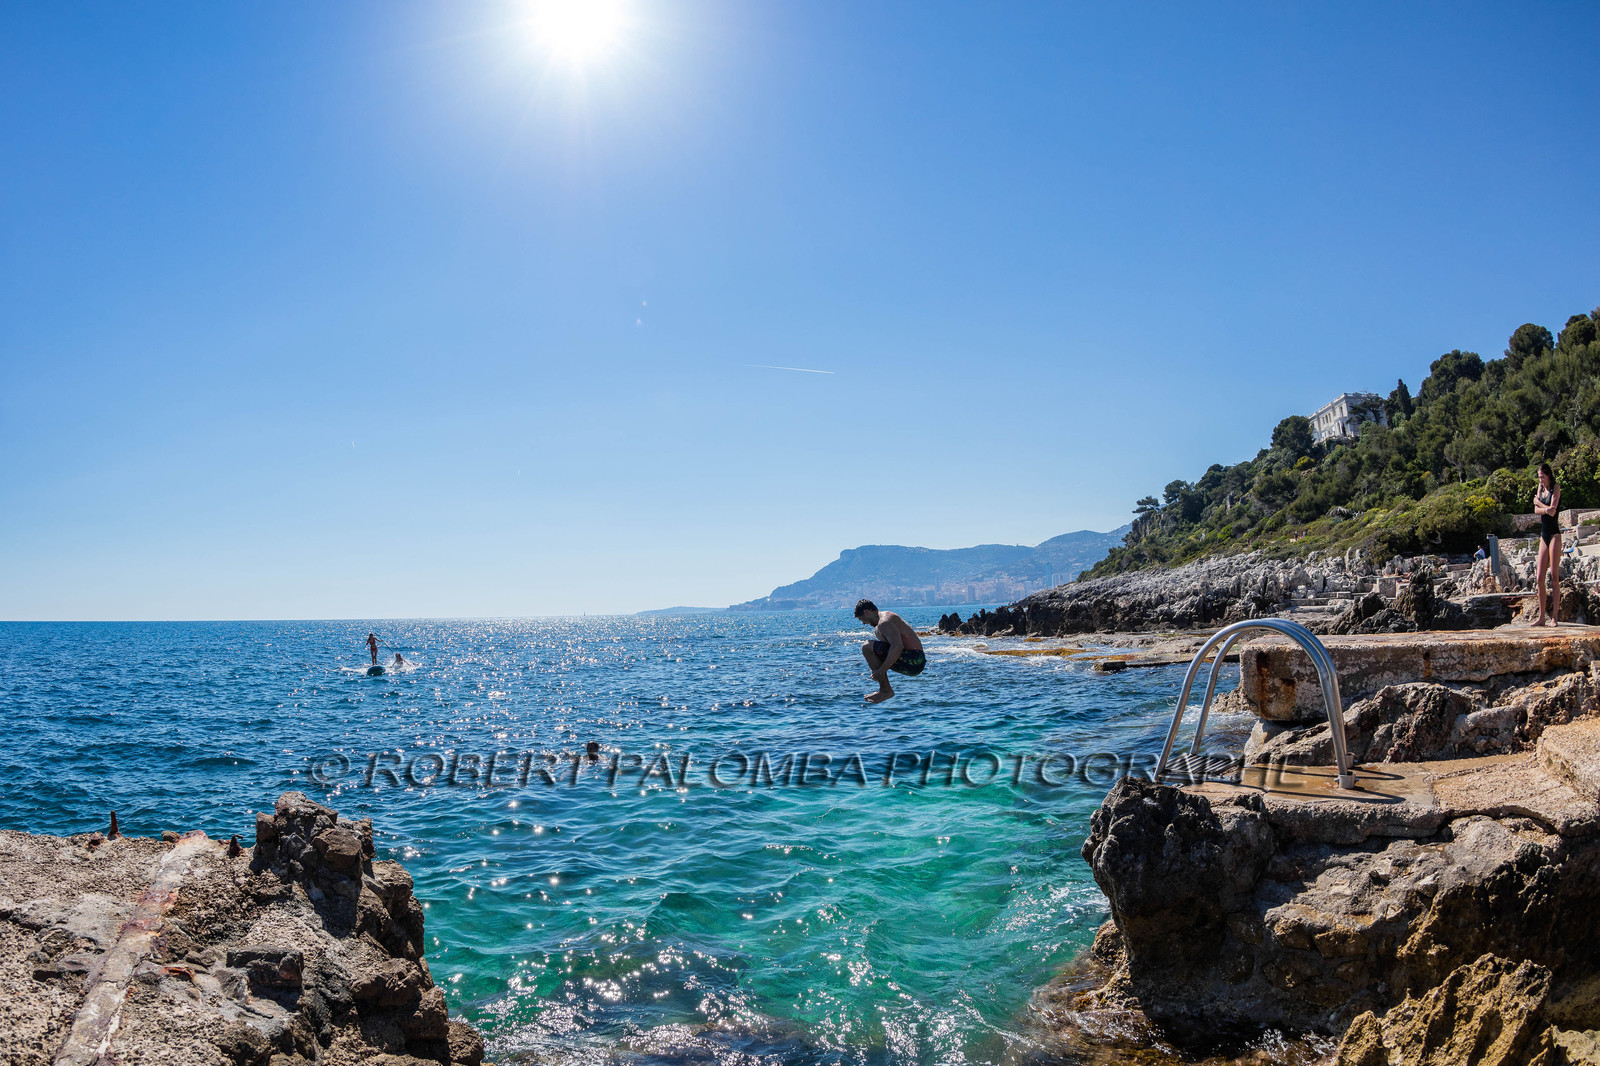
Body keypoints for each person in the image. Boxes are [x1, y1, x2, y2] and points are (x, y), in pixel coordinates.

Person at [855, 599, 926, 703]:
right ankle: (884, 689)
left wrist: (881, 671)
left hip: (914, 659)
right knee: (871, 649)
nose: (864, 623)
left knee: (866, 646)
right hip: (914, 663)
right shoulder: (879, 626)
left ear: (867, 612)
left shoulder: (885, 622)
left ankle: (885, 690)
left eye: (862, 619)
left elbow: (897, 646)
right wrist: (878, 670)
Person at [1533, 463, 1562, 627]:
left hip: (1555, 535)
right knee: (1539, 578)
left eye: (1542, 477)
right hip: (1543, 535)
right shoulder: (1540, 488)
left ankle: (1555, 618)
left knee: (1554, 578)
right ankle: (1542, 617)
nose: (1540, 480)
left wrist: (1540, 504)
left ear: (1548, 475)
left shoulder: (1555, 488)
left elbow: (1553, 510)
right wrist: (1544, 508)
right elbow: (1537, 511)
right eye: (1539, 477)